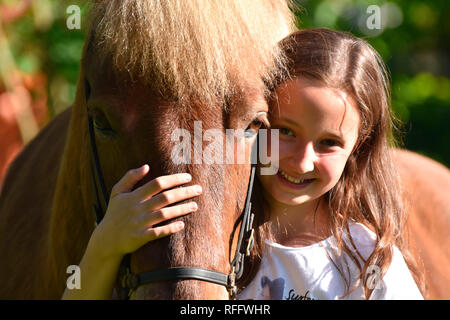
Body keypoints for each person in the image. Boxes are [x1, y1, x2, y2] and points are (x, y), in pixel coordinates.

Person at [62, 28, 423, 300]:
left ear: (357, 148)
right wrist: (106, 242)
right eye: (284, 131)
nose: (301, 160)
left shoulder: (369, 262)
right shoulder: (208, 229)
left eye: (328, 143)